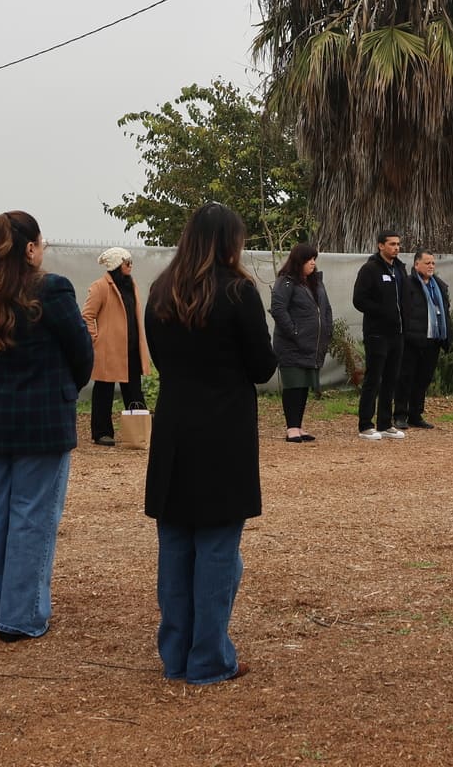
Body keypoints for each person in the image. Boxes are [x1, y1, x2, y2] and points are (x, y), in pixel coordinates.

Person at [143, 203, 277, 685]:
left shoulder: (160, 290)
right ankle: (209, 660)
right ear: (229, 242)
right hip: (223, 431)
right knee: (218, 549)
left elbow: (159, 359)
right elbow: (263, 368)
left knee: (175, 545)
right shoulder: (239, 291)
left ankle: (176, 656)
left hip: (175, 429)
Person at [0, 211, 94, 640]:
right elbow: (81, 353)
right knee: (31, 515)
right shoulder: (51, 288)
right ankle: (20, 615)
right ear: (31, 248)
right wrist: (64, 390)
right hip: (41, 419)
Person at [82, 248, 151, 447]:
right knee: (104, 390)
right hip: (109, 350)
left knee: (134, 392)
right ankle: (102, 433)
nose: (130, 266)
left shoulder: (131, 285)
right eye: (127, 262)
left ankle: (139, 432)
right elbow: (87, 315)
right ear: (116, 265)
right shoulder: (101, 287)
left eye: (130, 262)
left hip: (131, 350)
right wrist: (95, 339)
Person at [269, 243, 332, 443]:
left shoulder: (316, 282)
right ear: (299, 261)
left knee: (303, 385)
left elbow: (326, 309)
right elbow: (278, 309)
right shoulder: (285, 282)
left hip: (312, 346)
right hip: (291, 345)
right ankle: (292, 428)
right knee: (293, 385)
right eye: (309, 259)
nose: (313, 263)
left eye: (314, 259)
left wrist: (327, 331)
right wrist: (294, 332)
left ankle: (299, 425)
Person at [351, 231, 408, 441]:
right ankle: (366, 424)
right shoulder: (370, 269)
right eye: (392, 244)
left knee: (391, 379)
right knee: (374, 378)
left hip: (398, 333)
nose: (396, 247)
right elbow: (359, 300)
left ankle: (385, 424)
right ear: (380, 246)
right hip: (377, 333)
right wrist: (382, 311)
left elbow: (404, 298)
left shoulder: (400, 269)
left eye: (398, 244)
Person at [396, 251, 451, 431]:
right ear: (416, 265)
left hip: (433, 340)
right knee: (406, 378)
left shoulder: (439, 286)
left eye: (433, 263)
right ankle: (400, 415)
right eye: (427, 263)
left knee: (423, 379)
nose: (431, 266)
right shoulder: (408, 284)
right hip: (412, 339)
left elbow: (445, 313)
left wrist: (447, 336)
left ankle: (416, 414)